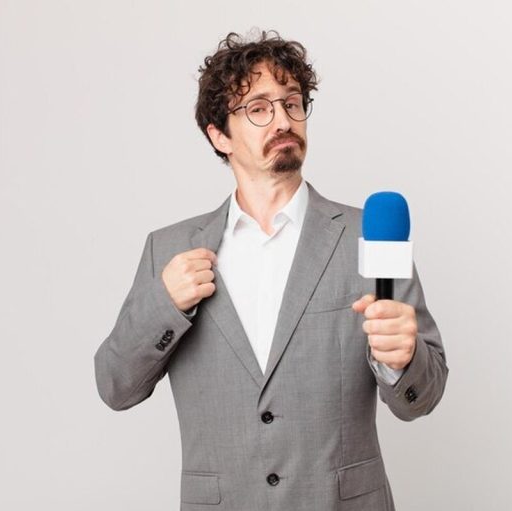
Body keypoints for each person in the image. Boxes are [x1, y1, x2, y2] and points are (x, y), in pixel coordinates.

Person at [94, 30, 448, 511]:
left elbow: (421, 398)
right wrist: (165, 305)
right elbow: (115, 387)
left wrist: (402, 360)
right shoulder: (170, 249)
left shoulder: (369, 237)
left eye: (292, 103)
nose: (283, 120)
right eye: (259, 108)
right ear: (219, 135)